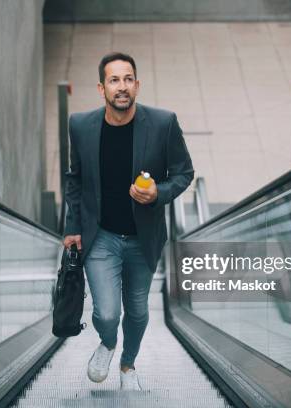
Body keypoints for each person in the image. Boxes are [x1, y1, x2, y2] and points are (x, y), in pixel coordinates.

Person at [63, 52, 194, 390]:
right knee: (108, 314)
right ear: (101, 87)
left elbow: (184, 173)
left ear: (137, 84)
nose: (122, 87)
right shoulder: (80, 125)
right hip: (101, 237)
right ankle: (108, 343)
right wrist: (72, 227)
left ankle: (127, 365)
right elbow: (75, 179)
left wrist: (158, 194)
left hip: (143, 238)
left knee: (136, 311)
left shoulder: (163, 124)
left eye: (127, 79)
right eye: (114, 80)